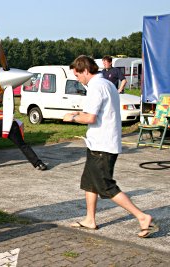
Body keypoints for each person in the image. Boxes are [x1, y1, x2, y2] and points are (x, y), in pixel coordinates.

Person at [63, 55, 158, 238]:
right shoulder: (106, 84)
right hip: (100, 142)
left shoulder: (96, 87)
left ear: (84, 70)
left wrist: (72, 117)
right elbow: (96, 112)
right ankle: (90, 220)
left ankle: (142, 217)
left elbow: (90, 118)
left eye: (77, 75)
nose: (77, 79)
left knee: (105, 185)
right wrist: (79, 112)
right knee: (90, 183)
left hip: (103, 145)